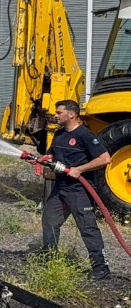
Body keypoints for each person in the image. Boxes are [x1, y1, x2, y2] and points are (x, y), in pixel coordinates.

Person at [40, 99, 112, 280]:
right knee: (49, 221)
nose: (55, 116)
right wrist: (44, 159)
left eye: (59, 113)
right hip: (60, 188)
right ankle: (49, 260)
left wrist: (79, 169)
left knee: (87, 228)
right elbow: (52, 155)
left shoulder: (85, 135)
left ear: (71, 115)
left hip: (80, 190)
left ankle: (101, 268)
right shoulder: (59, 134)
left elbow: (105, 159)